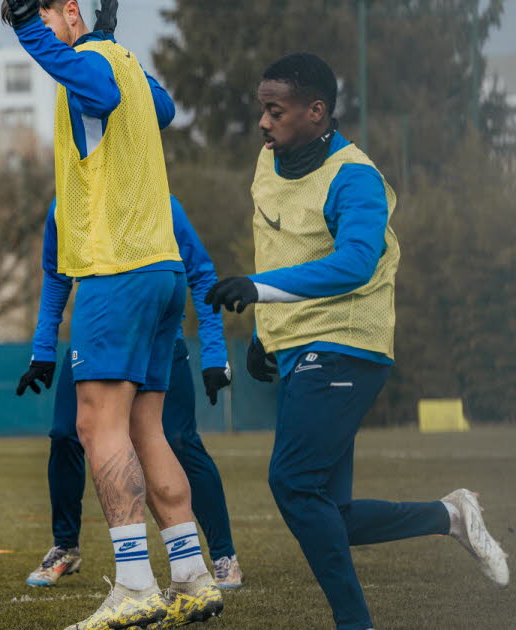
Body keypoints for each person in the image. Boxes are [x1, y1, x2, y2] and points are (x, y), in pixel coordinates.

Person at [206, 52, 509, 630]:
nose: (264, 123)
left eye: (276, 111)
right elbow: (279, 251)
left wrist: (261, 292)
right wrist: (264, 333)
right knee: (330, 512)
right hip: (298, 345)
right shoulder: (267, 162)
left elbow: (354, 265)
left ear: (316, 112)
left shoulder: (357, 178)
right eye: (262, 110)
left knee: (292, 484)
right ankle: (451, 516)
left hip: (348, 344)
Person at [2, 1, 223, 628]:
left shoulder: (94, 63)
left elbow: (94, 85)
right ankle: (191, 575)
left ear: (68, 9)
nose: (40, 30)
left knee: (97, 427)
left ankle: (133, 586)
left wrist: (30, 30)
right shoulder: (124, 61)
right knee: (147, 430)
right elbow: (164, 109)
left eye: (43, 13)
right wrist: (90, 41)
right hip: (160, 271)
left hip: (114, 270)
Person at [19, 196, 242, 592]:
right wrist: (43, 347)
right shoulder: (64, 205)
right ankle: (66, 547)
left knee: (177, 440)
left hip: (156, 344)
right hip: (96, 340)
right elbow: (55, 275)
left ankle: (222, 555)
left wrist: (214, 353)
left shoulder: (160, 200)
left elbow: (201, 274)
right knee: (65, 435)